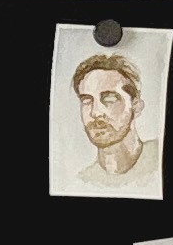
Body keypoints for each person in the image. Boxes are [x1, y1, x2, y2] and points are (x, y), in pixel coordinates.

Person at [67, 49, 163, 198]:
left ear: (136, 107)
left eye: (110, 99)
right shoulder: (82, 182)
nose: (95, 113)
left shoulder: (159, 160)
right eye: (87, 101)